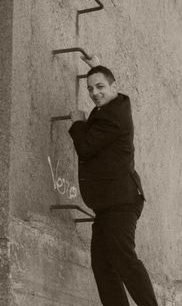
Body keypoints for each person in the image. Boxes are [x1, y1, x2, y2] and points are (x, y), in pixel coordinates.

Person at [68, 58, 159, 306]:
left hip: (121, 202)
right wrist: (97, 63)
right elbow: (105, 81)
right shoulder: (114, 107)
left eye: (100, 87)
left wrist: (77, 123)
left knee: (124, 260)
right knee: (103, 266)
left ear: (113, 87)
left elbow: (86, 148)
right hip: (109, 205)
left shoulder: (113, 117)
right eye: (90, 88)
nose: (94, 93)